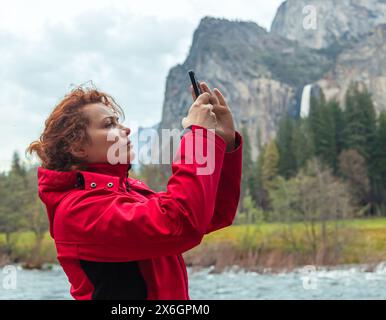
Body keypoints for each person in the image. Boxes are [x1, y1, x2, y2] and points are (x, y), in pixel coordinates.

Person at [26, 81, 243, 300]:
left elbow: (212, 213)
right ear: (77, 147)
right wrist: (199, 138)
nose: (126, 129)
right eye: (109, 124)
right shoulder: (77, 211)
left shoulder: (129, 192)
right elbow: (181, 222)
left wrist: (224, 143)